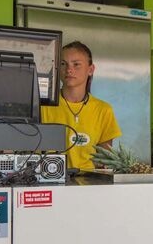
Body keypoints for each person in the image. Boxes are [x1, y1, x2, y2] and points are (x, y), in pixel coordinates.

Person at [41, 41, 121, 172]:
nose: (69, 70)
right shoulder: (42, 105)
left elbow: (104, 163)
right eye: (63, 64)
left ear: (90, 70)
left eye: (76, 64)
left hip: (88, 182)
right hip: (48, 179)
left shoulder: (103, 110)